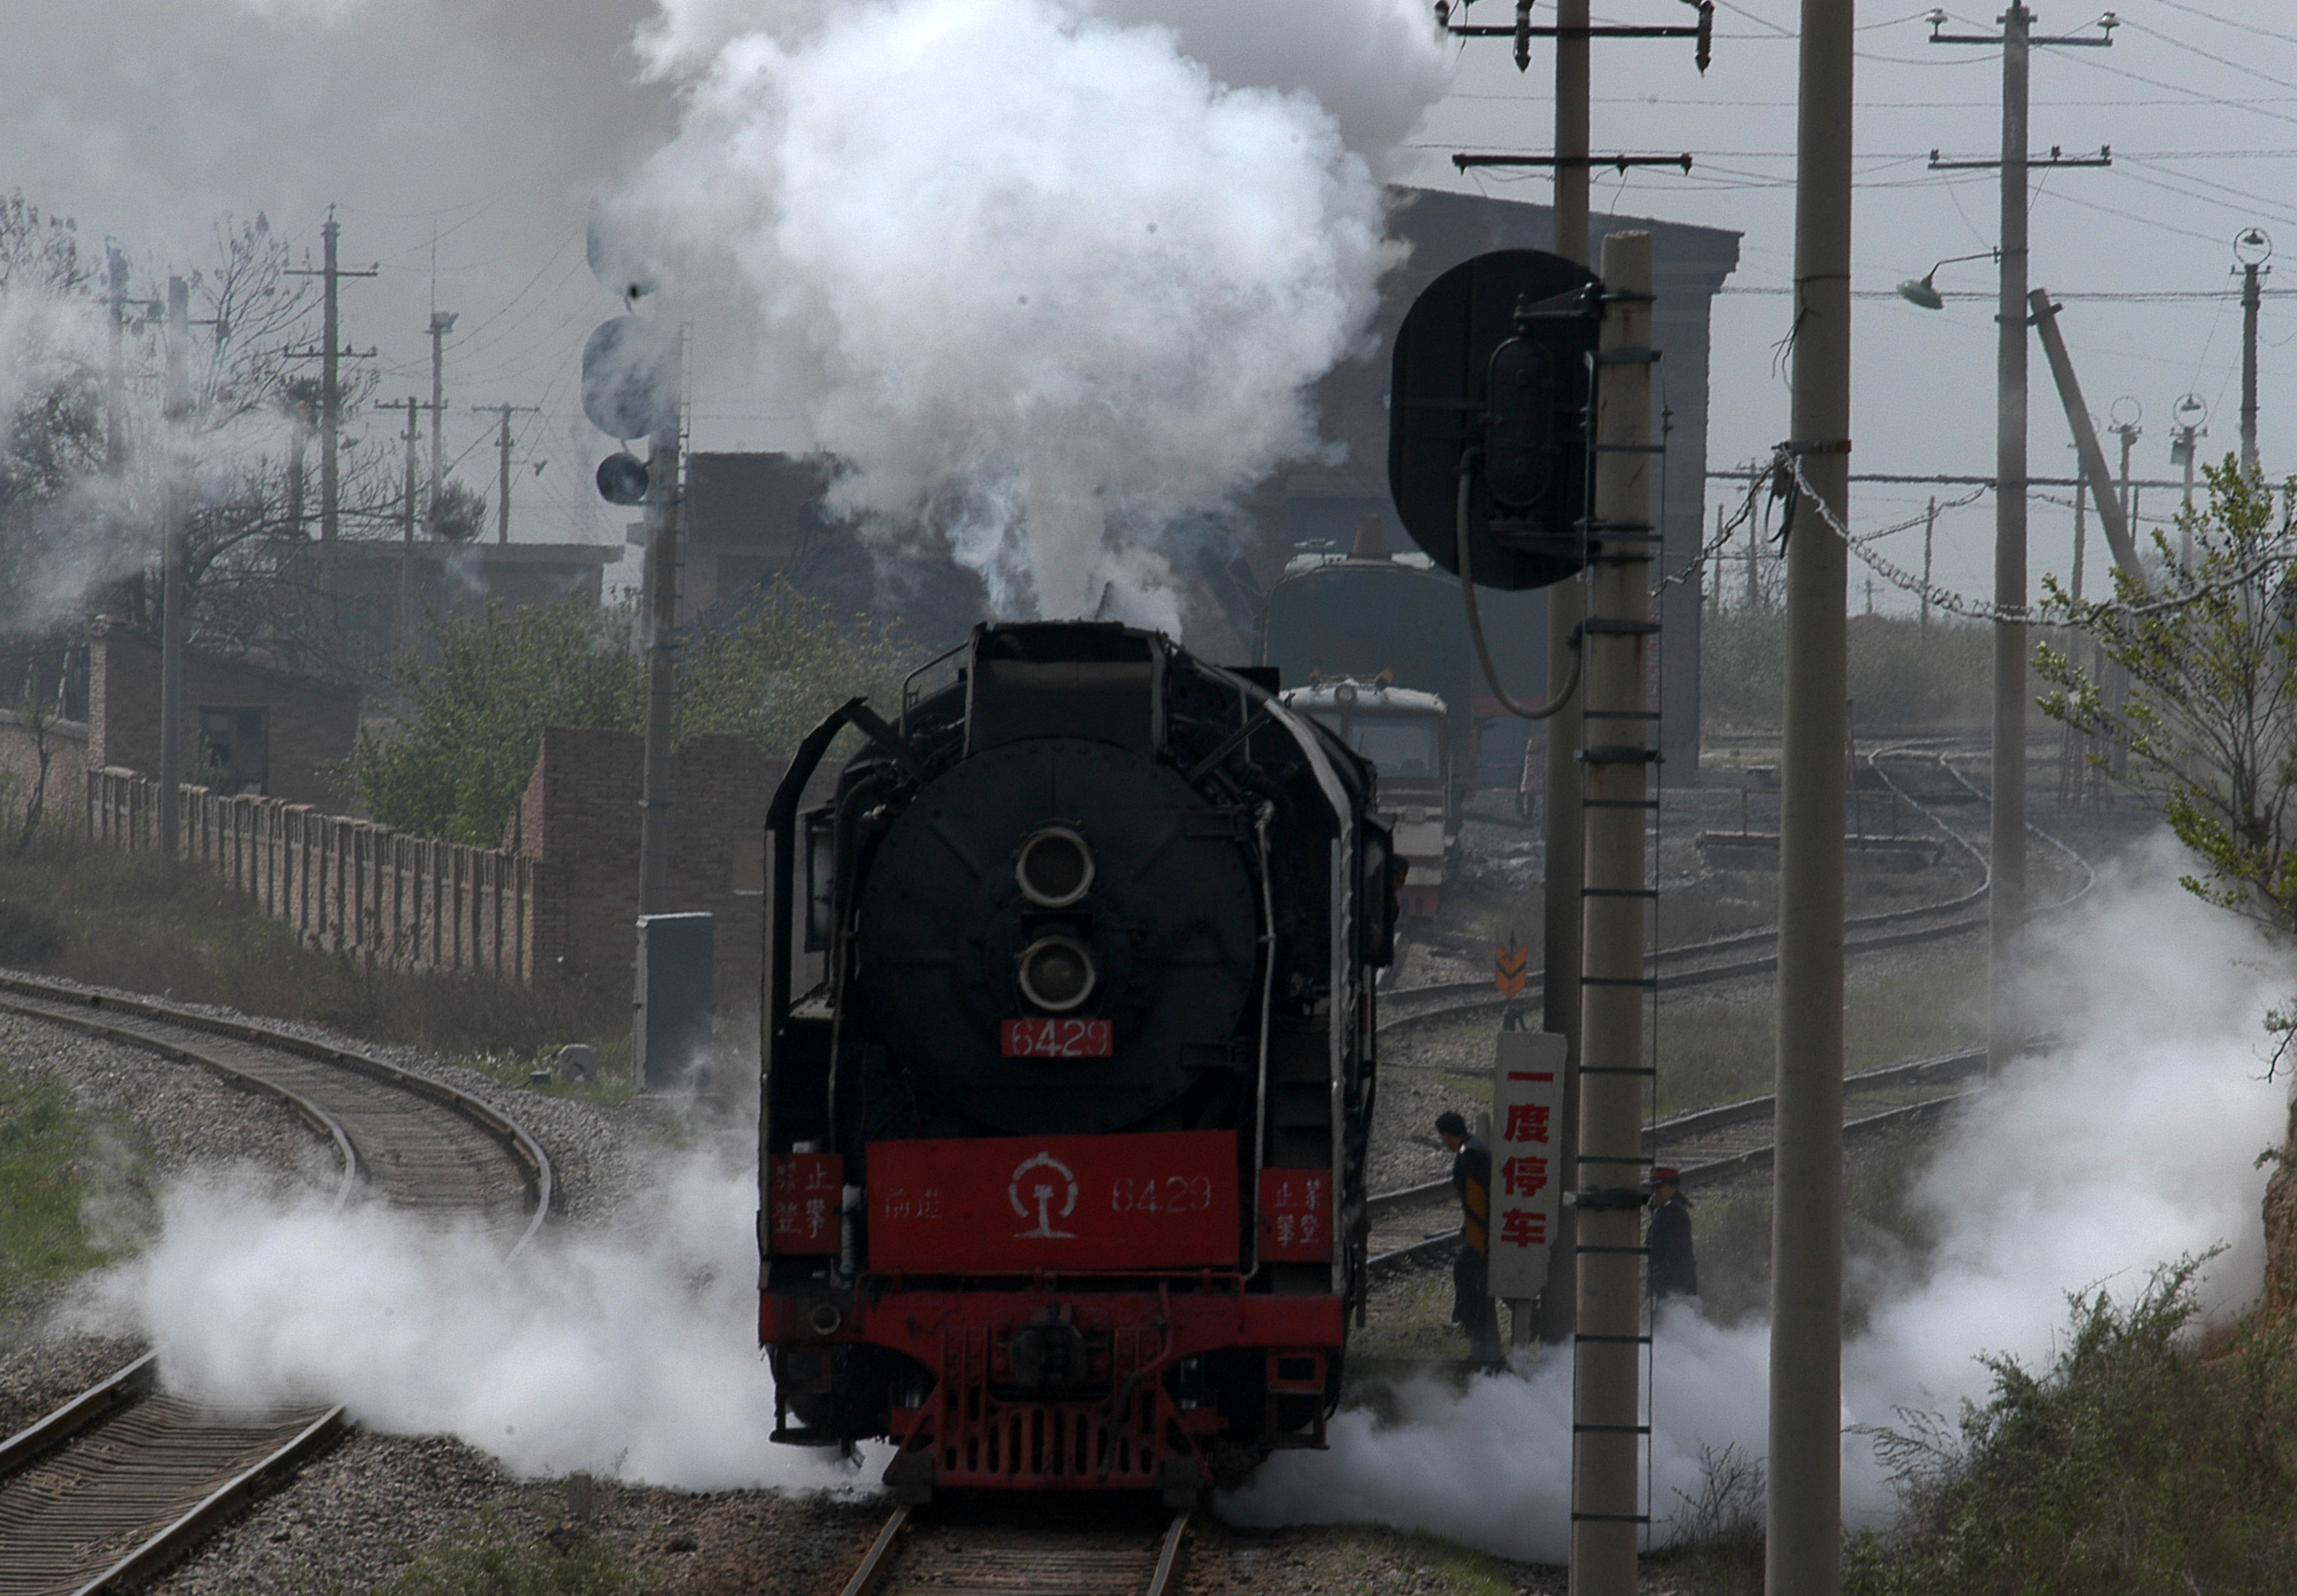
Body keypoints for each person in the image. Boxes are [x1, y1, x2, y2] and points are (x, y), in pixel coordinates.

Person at [1437, 1110, 1504, 1364]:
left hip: (1482, 1234)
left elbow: (1476, 1203)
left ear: (1447, 1134)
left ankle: (1475, 1337)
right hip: (1483, 1231)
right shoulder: (1475, 1146)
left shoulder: (1470, 1155)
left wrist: (1476, 1242)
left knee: (1467, 1276)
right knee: (1481, 1290)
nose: (1443, 1142)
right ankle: (1484, 1351)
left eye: (1442, 1136)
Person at [1645, 1166, 1699, 1304]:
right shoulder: (1667, 1210)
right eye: (1653, 1188)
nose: (1656, 1192)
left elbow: (1669, 1250)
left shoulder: (1673, 1212)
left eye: (1659, 1187)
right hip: (1671, 1282)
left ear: (1673, 1187)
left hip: (1673, 1284)